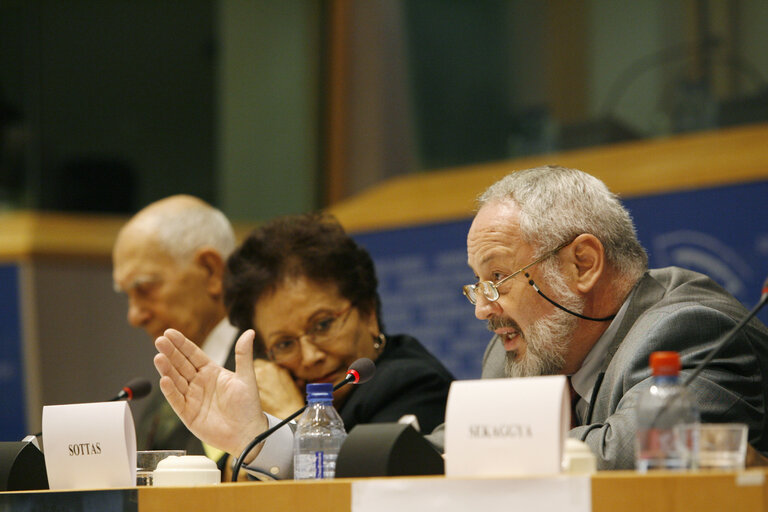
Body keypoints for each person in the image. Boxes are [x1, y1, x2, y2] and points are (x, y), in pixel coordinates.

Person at [446, 165, 768, 469]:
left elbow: (638, 453)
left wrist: (484, 447)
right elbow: (450, 443)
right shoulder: (520, 351)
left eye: (498, 278)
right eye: (478, 283)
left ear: (583, 265)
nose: (482, 309)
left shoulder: (691, 329)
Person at [153, 213, 454, 478]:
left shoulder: (415, 384)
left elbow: (368, 492)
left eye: (323, 325)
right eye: (284, 343)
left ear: (368, 313)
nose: (309, 357)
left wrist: (294, 418)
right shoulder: (280, 388)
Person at [113, 194, 240, 464]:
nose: (134, 316)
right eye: (128, 295)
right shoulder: (160, 398)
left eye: (144, 288)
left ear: (211, 271)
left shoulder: (270, 368)